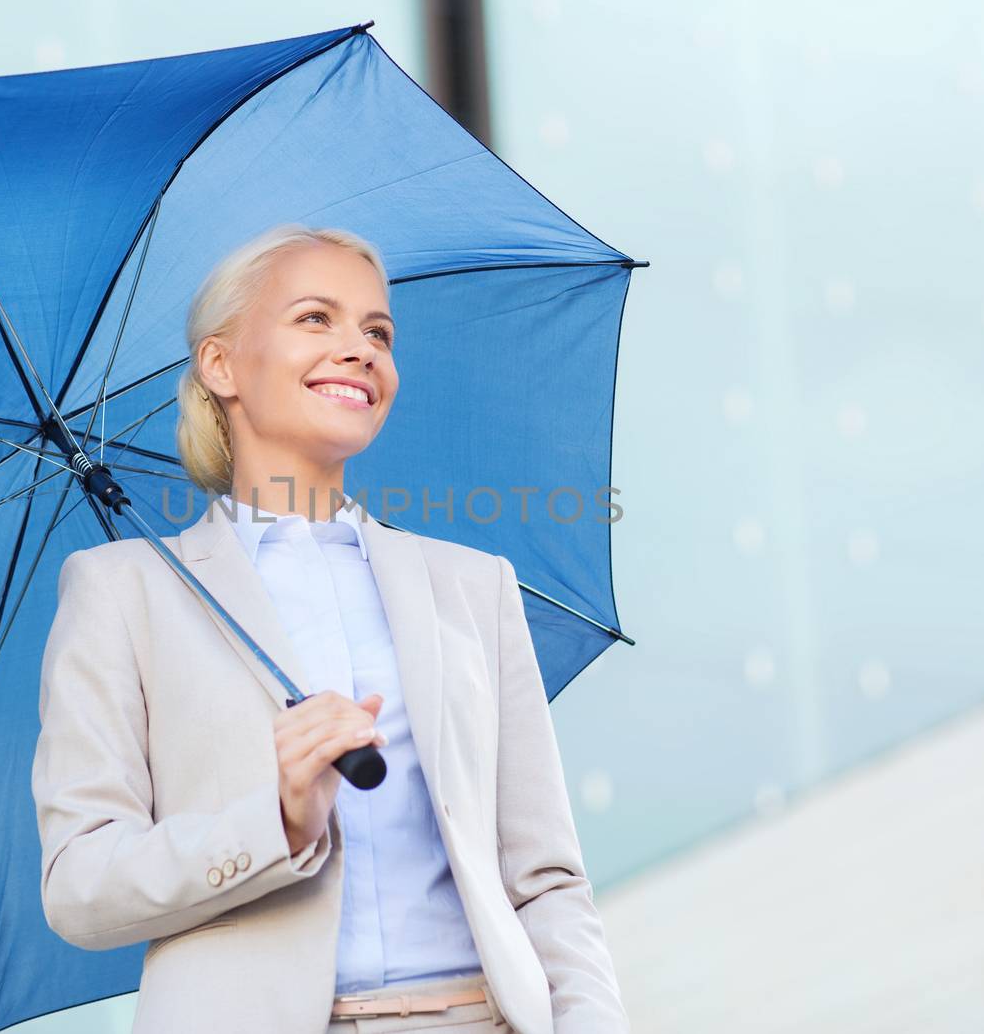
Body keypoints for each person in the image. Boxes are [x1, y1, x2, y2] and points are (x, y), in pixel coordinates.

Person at [31, 224, 629, 1033]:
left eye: (377, 331)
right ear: (222, 365)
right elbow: (80, 887)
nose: (360, 348)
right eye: (316, 318)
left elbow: (546, 878)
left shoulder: (472, 585)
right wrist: (276, 819)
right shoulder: (123, 590)